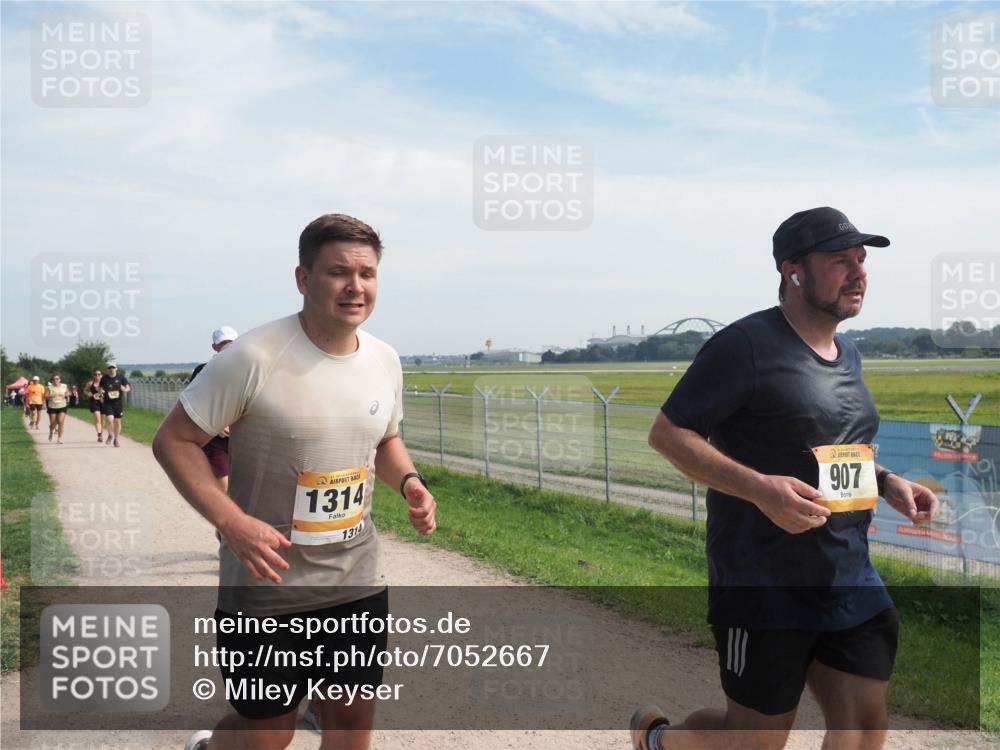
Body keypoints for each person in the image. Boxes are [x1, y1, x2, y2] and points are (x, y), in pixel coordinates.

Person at [632, 207, 940, 750]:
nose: (859, 272)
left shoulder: (849, 355)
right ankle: (658, 741)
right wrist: (759, 488)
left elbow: (829, 447)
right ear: (793, 270)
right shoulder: (744, 346)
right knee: (752, 743)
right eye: (840, 260)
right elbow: (668, 434)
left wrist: (886, 479)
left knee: (865, 728)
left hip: (848, 575)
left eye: (862, 260)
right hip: (762, 582)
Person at [152, 213, 437, 750]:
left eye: (368, 273)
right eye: (338, 273)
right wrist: (232, 522)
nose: (356, 286)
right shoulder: (251, 357)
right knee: (270, 737)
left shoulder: (384, 359)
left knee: (351, 728)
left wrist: (411, 483)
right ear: (303, 278)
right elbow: (174, 441)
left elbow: (386, 441)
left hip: (355, 580)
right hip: (265, 589)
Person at [189, 326, 239, 494]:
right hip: (214, 438)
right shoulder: (202, 371)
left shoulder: (249, 369)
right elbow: (193, 404)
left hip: (242, 438)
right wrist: (216, 425)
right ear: (215, 347)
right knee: (224, 486)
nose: (228, 346)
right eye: (223, 343)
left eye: (231, 342)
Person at [99, 363, 131, 447]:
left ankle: (116, 439)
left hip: (118, 403)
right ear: (108, 369)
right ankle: (110, 435)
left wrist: (124, 389)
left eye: (113, 367)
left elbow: (128, 388)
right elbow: (100, 388)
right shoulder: (104, 378)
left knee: (117, 422)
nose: (111, 369)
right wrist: (101, 394)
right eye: (109, 367)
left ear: (116, 369)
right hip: (108, 402)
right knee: (109, 420)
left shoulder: (121, 378)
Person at [45, 374, 70, 444]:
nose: (55, 380)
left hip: (62, 406)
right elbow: (46, 396)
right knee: (53, 423)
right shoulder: (49, 387)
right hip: (52, 407)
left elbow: (68, 393)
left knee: (60, 422)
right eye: (54, 379)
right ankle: (51, 432)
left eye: (57, 379)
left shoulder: (64, 386)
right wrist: (52, 395)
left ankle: (60, 438)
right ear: (52, 380)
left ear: (60, 380)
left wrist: (66, 394)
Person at [84, 370, 105, 442]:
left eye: (99, 374)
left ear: (101, 375)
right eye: (95, 374)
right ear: (93, 376)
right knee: (97, 418)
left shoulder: (105, 383)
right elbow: (85, 390)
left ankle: (101, 433)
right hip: (94, 402)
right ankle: (99, 434)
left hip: (103, 403)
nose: (97, 376)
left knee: (102, 420)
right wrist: (88, 393)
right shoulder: (90, 383)